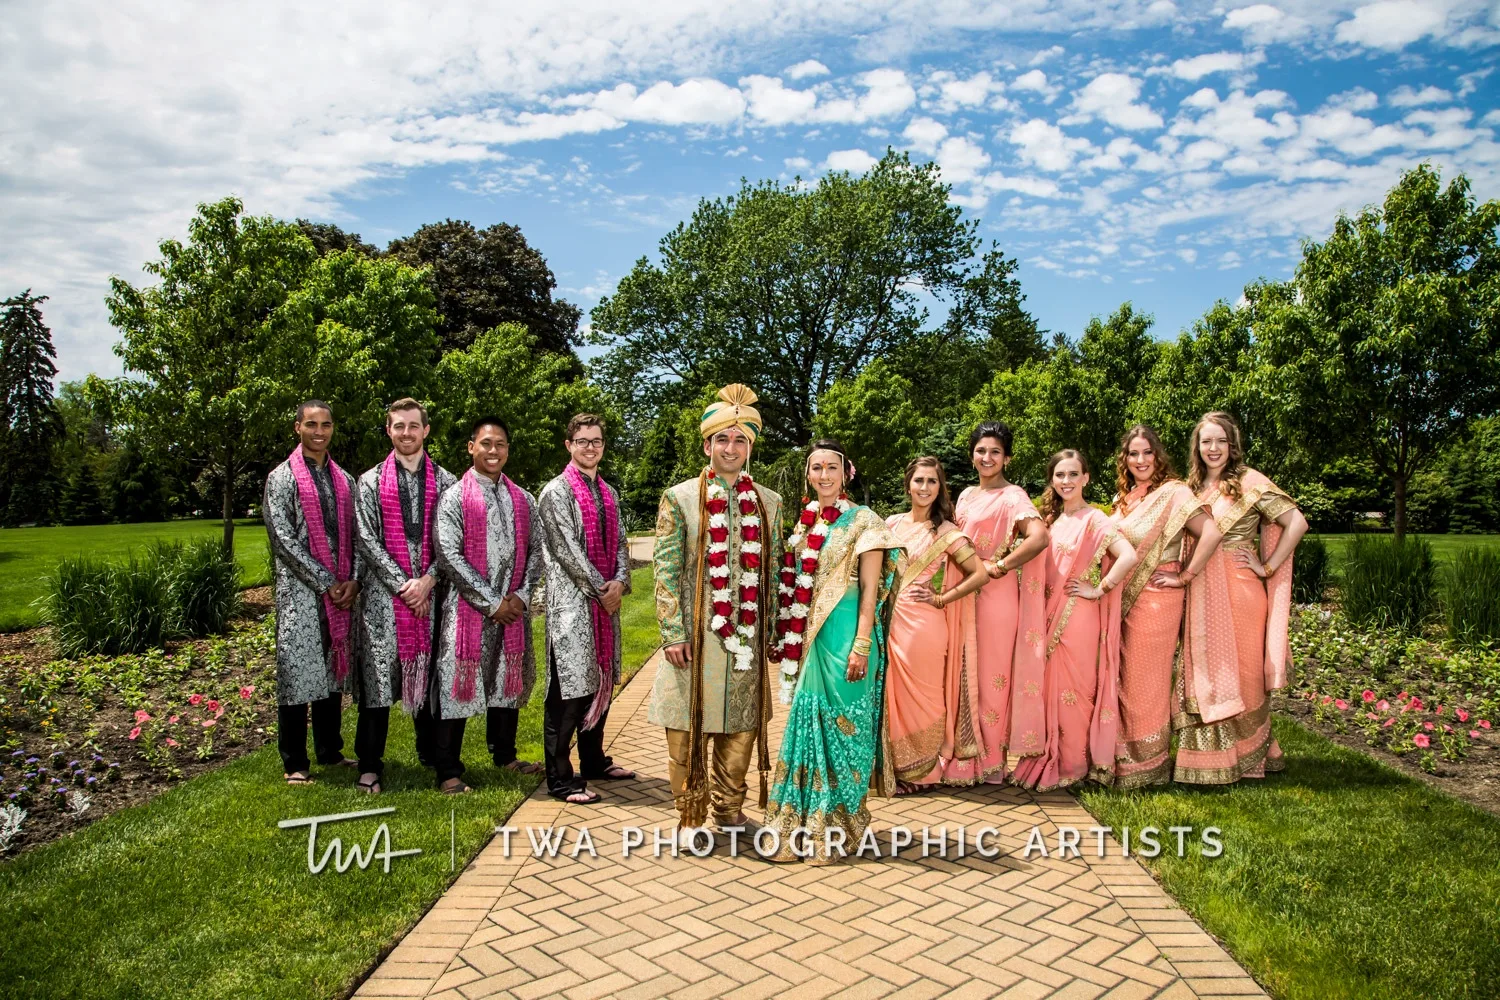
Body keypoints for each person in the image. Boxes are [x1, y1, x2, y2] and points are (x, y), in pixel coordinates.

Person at [651, 385, 784, 842]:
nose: (731, 448)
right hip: (694, 637)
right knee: (686, 730)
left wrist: (773, 632)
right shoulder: (680, 498)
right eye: (723, 439)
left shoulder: (769, 504)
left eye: (740, 440)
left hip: (744, 638)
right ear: (707, 445)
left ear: (750, 447)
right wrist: (672, 631)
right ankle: (689, 816)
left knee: (741, 726)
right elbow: (666, 570)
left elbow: (772, 571)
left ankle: (729, 812)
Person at [765, 439, 902, 864]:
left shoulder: (866, 522)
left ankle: (840, 825)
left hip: (848, 639)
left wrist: (862, 643)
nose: (824, 475)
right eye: (816, 468)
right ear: (808, 474)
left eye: (831, 468)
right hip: (813, 643)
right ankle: (800, 825)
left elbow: (870, 592)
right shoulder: (805, 526)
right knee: (807, 728)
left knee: (847, 731)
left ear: (847, 474)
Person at [1173, 411, 1308, 784]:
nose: (1213, 448)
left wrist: (1268, 565)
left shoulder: (1249, 481)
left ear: (1232, 446)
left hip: (1241, 587)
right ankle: (1211, 756)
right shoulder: (1194, 487)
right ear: (1197, 447)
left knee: (1245, 673)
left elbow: (1296, 522)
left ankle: (1253, 752)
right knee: (1210, 670)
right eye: (1206, 441)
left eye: (1220, 441)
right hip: (1200, 588)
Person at [1010, 450, 1137, 792]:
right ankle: (1045, 755)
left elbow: (1128, 555)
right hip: (1046, 616)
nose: (1066, 481)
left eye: (1073, 474)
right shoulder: (1049, 522)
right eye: (1059, 475)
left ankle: (1074, 762)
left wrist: (1099, 589)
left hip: (1078, 616)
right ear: (1052, 480)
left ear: (1086, 478)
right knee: (1048, 687)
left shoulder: (1095, 519)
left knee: (1075, 692)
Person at [429, 417, 542, 794]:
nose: (494, 451)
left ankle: (505, 756)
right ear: (471, 447)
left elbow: (536, 553)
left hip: (512, 609)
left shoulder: (523, 499)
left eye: (501, 445)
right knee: (456, 686)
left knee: (506, 682)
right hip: (467, 612)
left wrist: (520, 598)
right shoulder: (454, 497)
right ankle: (448, 770)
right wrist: (492, 602)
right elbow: (449, 555)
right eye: (486, 444)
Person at [1108, 424, 1222, 789]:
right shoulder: (1124, 498)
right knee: (1122, 677)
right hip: (1121, 597)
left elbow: (1212, 532)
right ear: (1124, 459)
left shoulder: (1174, 493)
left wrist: (1185, 576)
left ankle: (1148, 765)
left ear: (1158, 455)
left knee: (1146, 680)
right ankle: (1121, 756)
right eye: (1133, 453)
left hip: (1158, 597)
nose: (1140, 460)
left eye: (1147, 453)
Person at [353, 398, 458, 794]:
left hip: (433, 597)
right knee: (378, 683)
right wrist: (404, 584)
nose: (407, 433)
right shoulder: (369, 481)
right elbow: (366, 539)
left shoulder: (448, 482)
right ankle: (369, 765)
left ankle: (433, 755)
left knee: (431, 677)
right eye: (399, 426)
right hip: (384, 598)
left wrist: (427, 581)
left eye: (414, 426)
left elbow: (452, 542)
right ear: (389, 430)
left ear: (426, 430)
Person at [536, 414, 635, 806]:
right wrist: (602, 589)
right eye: (582, 441)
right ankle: (561, 779)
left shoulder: (607, 491)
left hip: (604, 608)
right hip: (572, 610)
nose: (590, 447)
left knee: (601, 684)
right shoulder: (555, 493)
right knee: (568, 694)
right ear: (568, 445)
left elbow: (623, 544)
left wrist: (622, 582)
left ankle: (593, 761)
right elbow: (567, 553)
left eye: (596, 441)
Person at [264, 400, 360, 785]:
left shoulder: (345, 480)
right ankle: (294, 760)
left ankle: (330, 750)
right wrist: (325, 582)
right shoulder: (282, 478)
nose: (319, 431)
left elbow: (356, 537)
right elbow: (283, 539)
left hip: (339, 593)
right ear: (297, 428)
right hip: (301, 592)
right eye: (311, 424)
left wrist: (351, 579)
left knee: (331, 672)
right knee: (296, 671)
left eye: (326, 424)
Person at [883, 457, 990, 793]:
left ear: (941, 487)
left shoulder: (945, 531)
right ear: (908, 485)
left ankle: (924, 771)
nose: (925, 488)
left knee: (924, 698)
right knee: (892, 696)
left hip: (924, 626)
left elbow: (980, 573)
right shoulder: (892, 524)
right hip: (891, 621)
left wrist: (943, 599)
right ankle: (896, 768)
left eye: (932, 482)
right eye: (919, 481)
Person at [951, 422, 1049, 783]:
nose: (987, 457)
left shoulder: (1013, 496)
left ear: (1007, 457)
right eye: (981, 450)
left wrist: (1001, 565)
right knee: (964, 675)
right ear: (972, 454)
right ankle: (965, 754)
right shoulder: (965, 496)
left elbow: (1039, 537)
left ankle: (991, 763)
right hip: (963, 594)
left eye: (995, 451)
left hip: (995, 597)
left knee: (993, 679)